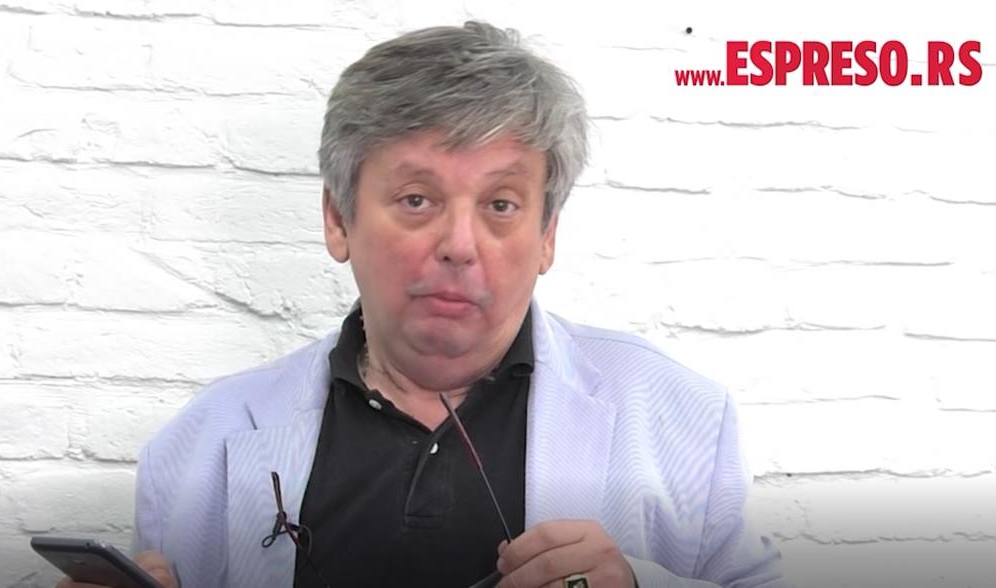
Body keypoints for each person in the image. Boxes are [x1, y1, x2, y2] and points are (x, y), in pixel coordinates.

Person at [59, 21, 788, 588]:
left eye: (501, 204)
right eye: (416, 199)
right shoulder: (202, 444)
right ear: (338, 219)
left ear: (546, 235)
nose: (459, 245)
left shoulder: (681, 419)